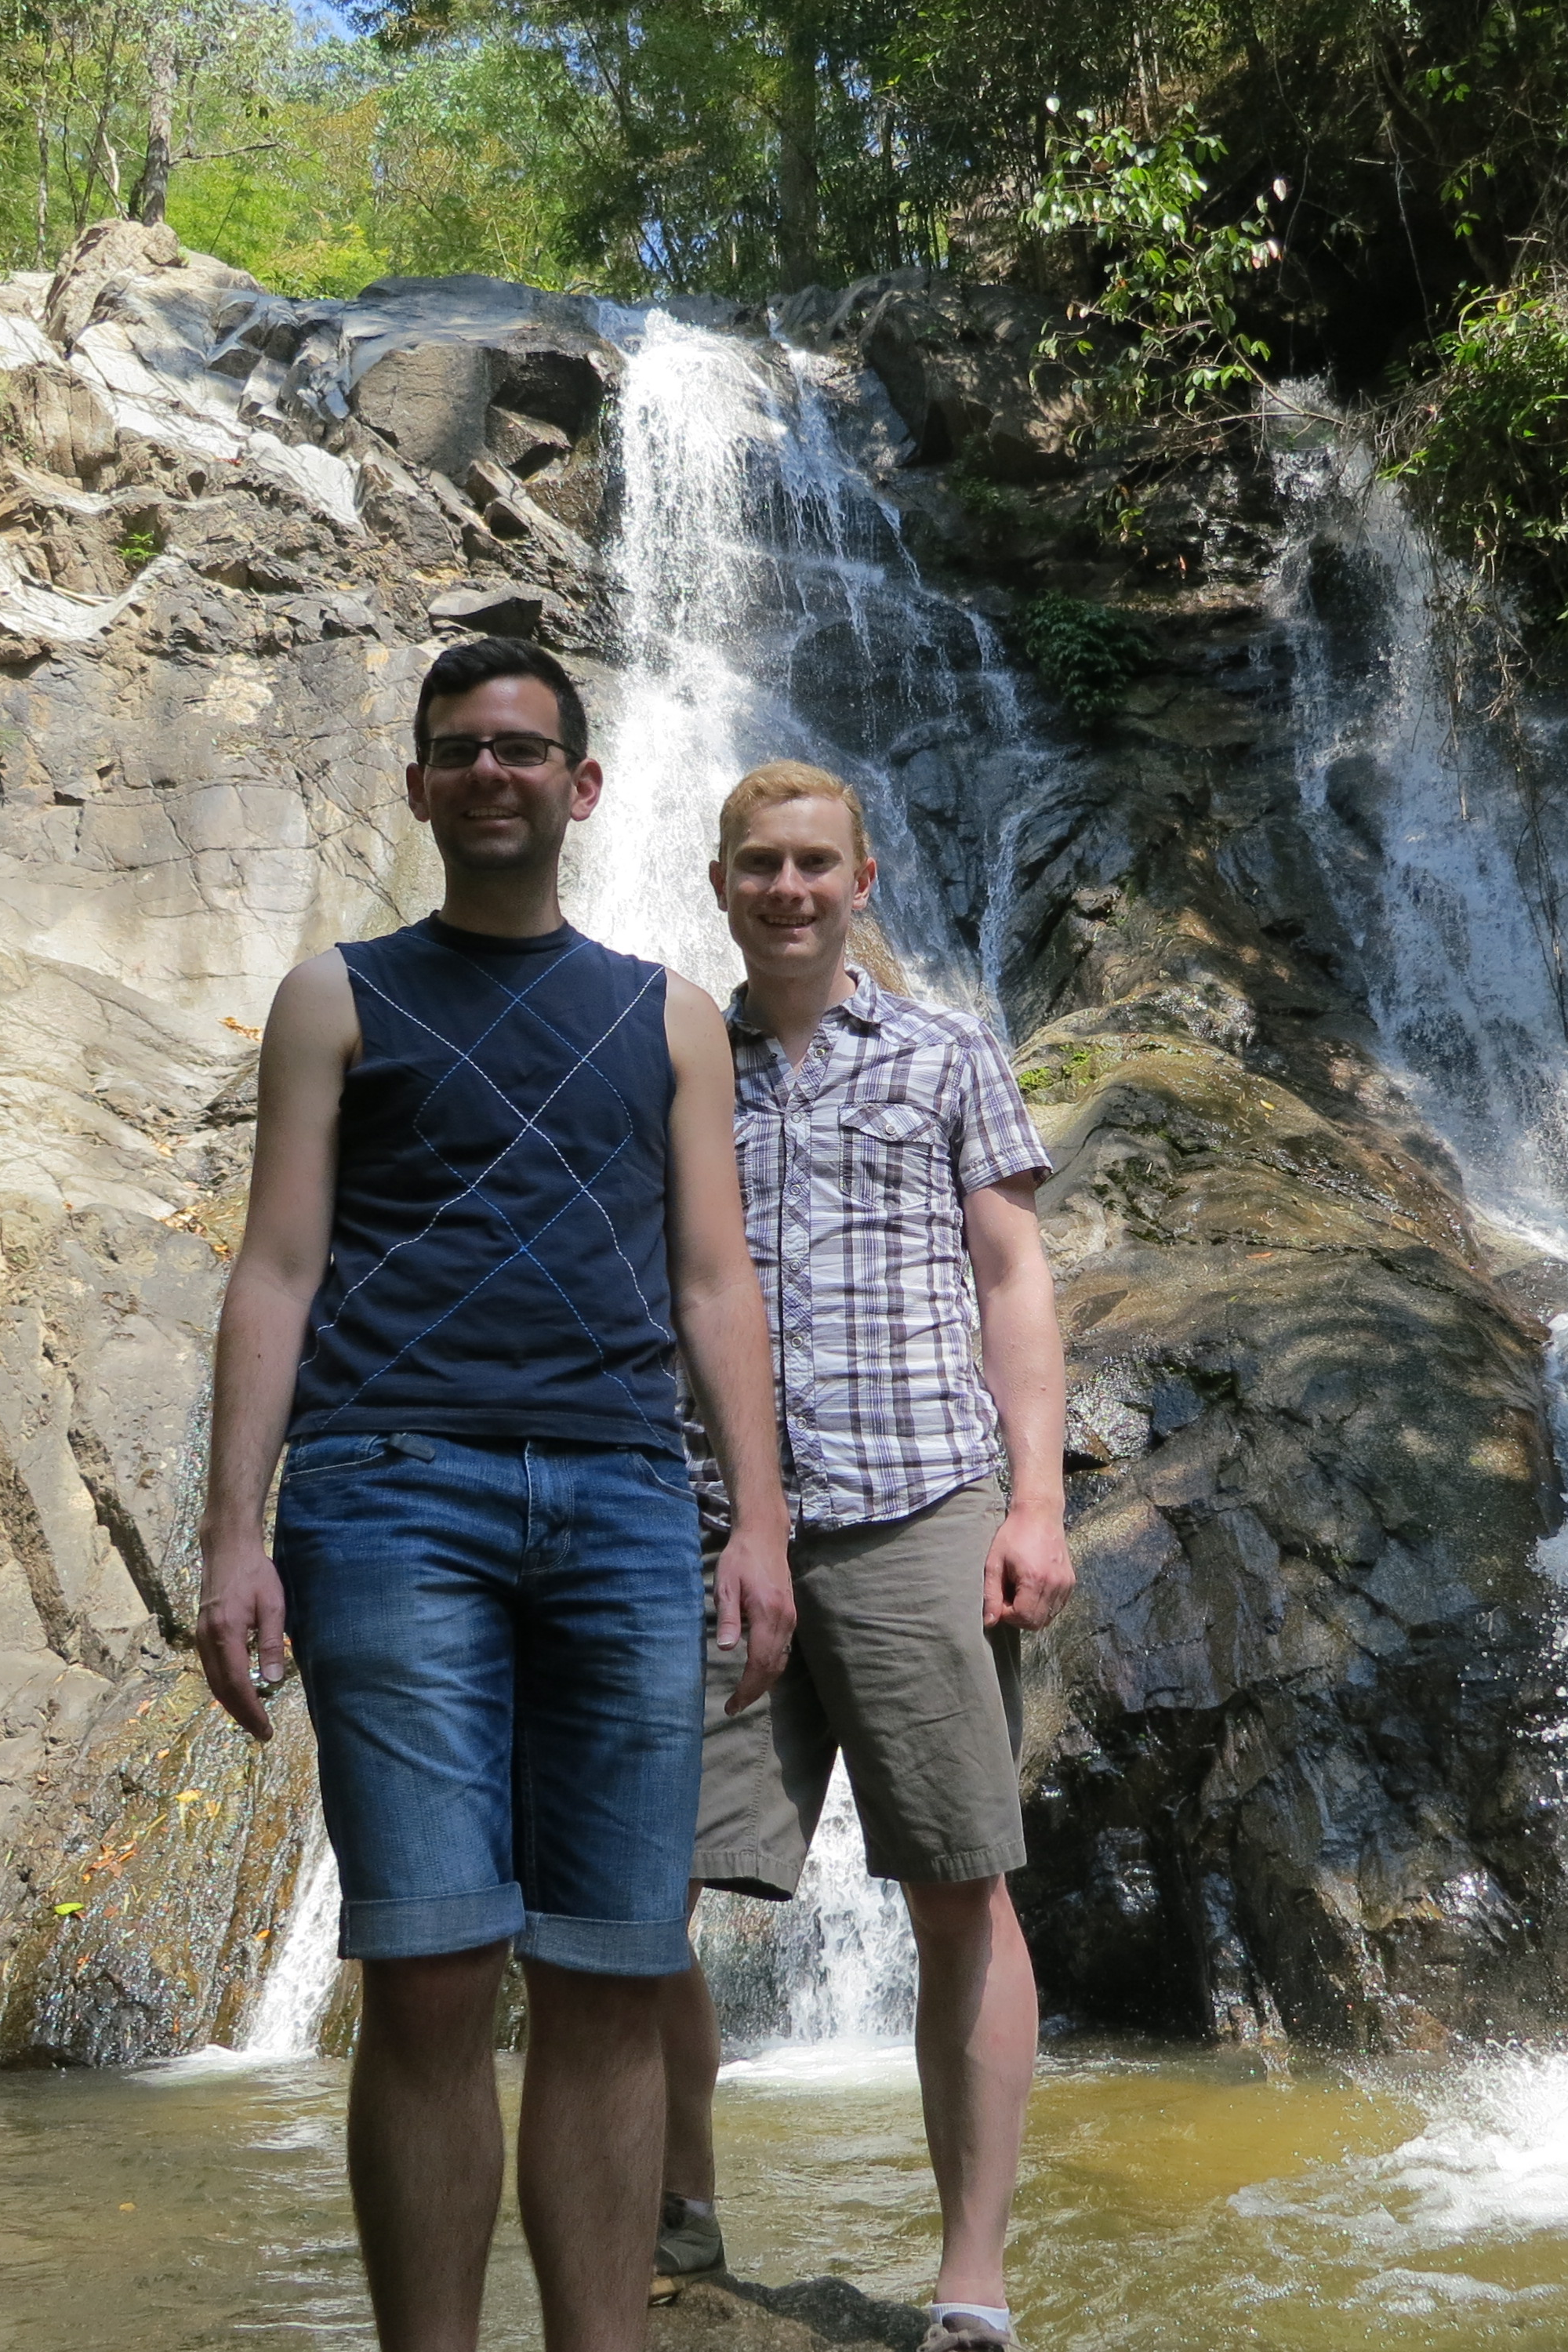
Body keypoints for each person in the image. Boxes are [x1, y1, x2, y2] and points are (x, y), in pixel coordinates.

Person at [194, 637, 797, 2352]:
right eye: (459, 749)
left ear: (581, 786)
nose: (491, 773)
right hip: (388, 1498)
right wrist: (233, 1536)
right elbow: (276, 1267)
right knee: (432, 1970)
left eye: (523, 749)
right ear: (415, 786)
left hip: (624, 1502)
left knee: (615, 1970)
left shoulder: (668, 1016)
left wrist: (757, 1524)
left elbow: (714, 1282)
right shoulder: (335, 998)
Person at [655, 762, 1073, 2352]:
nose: (788, 888)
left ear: (862, 879)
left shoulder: (947, 1053)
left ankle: (972, 2279)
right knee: (638, 1892)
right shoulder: (674, 1063)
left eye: (815, 863)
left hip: (919, 1512)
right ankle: (676, 2222)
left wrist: (1036, 1503)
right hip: (716, 1532)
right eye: (759, 863)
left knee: (960, 1889)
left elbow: (1012, 1279)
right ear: (718, 882)